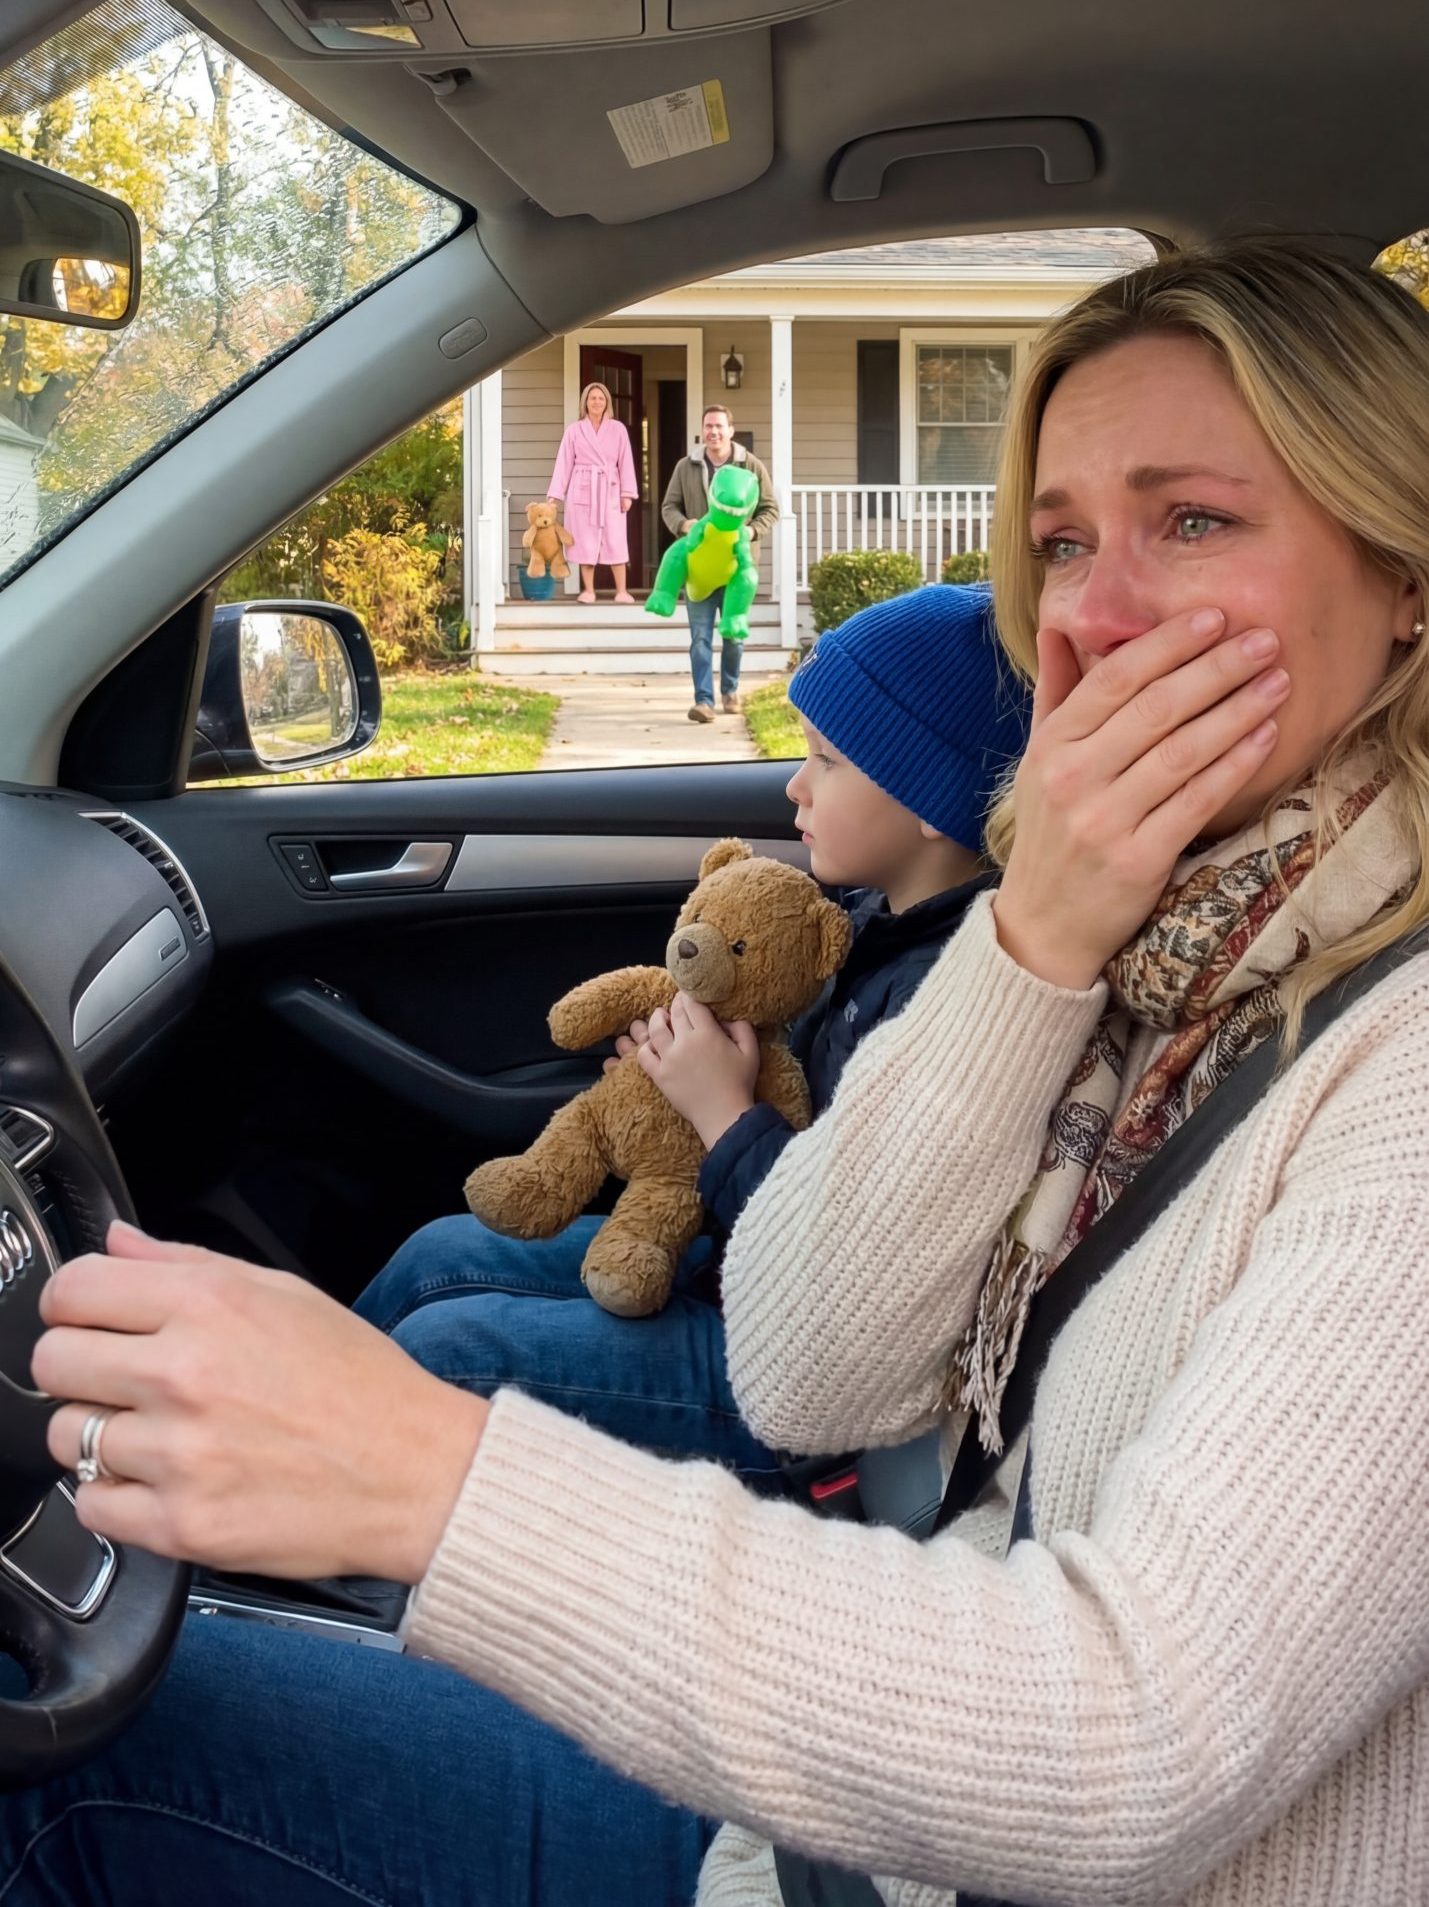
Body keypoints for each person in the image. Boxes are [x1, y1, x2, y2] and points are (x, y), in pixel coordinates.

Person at [11, 237, 1429, 1907]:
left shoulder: (1384, 1054)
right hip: (838, 1829)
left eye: (1188, 520)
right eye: (1055, 543)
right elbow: (801, 1370)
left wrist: (421, 1473)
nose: (1088, 618)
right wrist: (1030, 940)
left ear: (1401, 570)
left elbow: (1130, 1737)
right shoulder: (1167, 954)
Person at [353, 582, 1029, 1489]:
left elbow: (847, 1265)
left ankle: (311, 1534)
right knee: (440, 1252)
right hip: (728, 1265)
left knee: (450, 1345)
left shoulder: (945, 998)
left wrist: (719, 1110)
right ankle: (272, 1439)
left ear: (927, 800)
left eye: (824, 761)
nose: (793, 783)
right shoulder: (872, 920)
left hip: (787, 1382)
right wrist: (687, 1069)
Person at [660, 403, 778, 721]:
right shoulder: (687, 467)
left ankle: (730, 690)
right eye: (708, 426)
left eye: (719, 426)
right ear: (703, 430)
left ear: (731, 430)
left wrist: (751, 531)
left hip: (737, 570)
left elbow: (771, 509)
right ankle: (703, 701)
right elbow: (669, 506)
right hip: (698, 568)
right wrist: (685, 526)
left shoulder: (751, 466)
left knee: (734, 637)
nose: (713, 431)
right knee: (700, 638)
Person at [545, 381, 638, 604]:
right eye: (592, 398)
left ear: (607, 403)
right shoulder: (574, 430)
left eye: (601, 398)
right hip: (583, 488)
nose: (597, 402)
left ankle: (622, 591)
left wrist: (627, 493)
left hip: (611, 489)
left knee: (615, 539)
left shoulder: (618, 429)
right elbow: (564, 462)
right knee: (585, 540)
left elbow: (625, 462)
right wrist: (555, 495)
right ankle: (588, 590)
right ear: (585, 402)